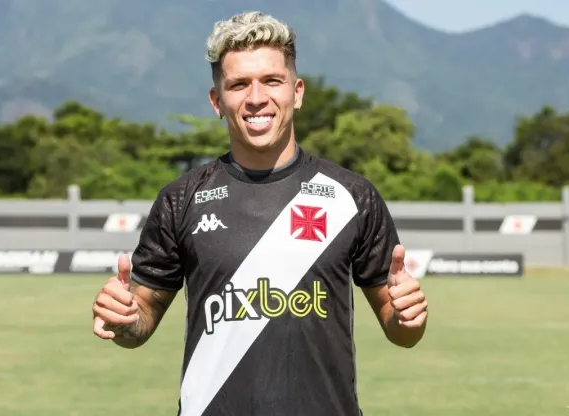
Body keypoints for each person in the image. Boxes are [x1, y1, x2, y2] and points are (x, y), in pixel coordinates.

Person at [91, 11, 429, 416]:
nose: (255, 98)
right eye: (238, 85)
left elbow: (400, 329)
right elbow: (141, 318)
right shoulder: (181, 199)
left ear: (297, 92)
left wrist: (408, 317)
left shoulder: (352, 196)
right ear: (218, 101)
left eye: (271, 80)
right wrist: (125, 318)